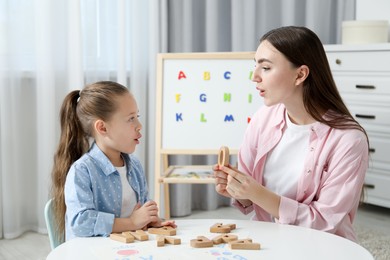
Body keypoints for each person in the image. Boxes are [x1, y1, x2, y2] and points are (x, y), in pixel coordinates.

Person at [214, 26, 369, 242]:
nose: (255, 77)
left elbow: (324, 221)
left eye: (266, 68)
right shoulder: (263, 118)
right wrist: (239, 189)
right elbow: (252, 200)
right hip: (265, 240)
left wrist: (256, 192)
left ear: (300, 75)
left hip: (323, 245)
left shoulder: (349, 140)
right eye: (256, 66)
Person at [51, 81, 175, 241]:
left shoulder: (134, 166)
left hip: (127, 248)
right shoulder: (82, 171)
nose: (139, 125)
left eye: (137, 117)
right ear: (102, 128)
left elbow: (139, 212)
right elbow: (81, 222)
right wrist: (131, 222)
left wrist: (149, 220)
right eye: (131, 119)